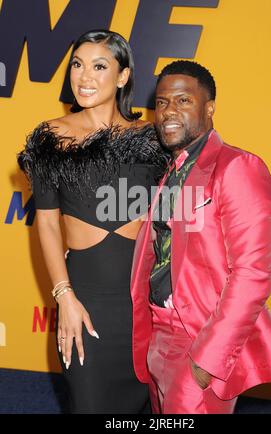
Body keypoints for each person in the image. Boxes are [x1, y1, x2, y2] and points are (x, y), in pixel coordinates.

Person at [130, 60, 271, 414]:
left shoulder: (238, 167)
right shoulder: (170, 171)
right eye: (161, 102)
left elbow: (253, 275)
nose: (168, 111)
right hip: (158, 335)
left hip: (198, 341)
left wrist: (209, 358)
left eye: (183, 101)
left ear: (210, 108)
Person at [17, 29, 167, 414]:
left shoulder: (152, 139)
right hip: (86, 303)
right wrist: (64, 297)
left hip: (144, 309)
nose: (84, 77)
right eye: (78, 65)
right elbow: (47, 224)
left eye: (100, 66)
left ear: (122, 76)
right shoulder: (52, 136)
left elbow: (170, 224)